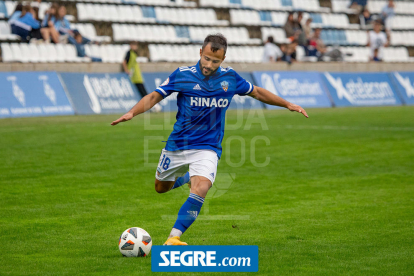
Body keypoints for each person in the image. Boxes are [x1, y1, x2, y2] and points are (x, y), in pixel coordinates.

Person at [111, 34, 309, 246]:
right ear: (200, 53)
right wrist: (132, 113)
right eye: (206, 58)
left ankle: (173, 237)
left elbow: (258, 92)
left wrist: (288, 104)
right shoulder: (182, 75)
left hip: (208, 146)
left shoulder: (230, 78)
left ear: (223, 59)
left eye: (215, 61)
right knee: (161, 188)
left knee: (202, 188)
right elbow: (154, 97)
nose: (209, 64)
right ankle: (187, 176)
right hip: (178, 144)